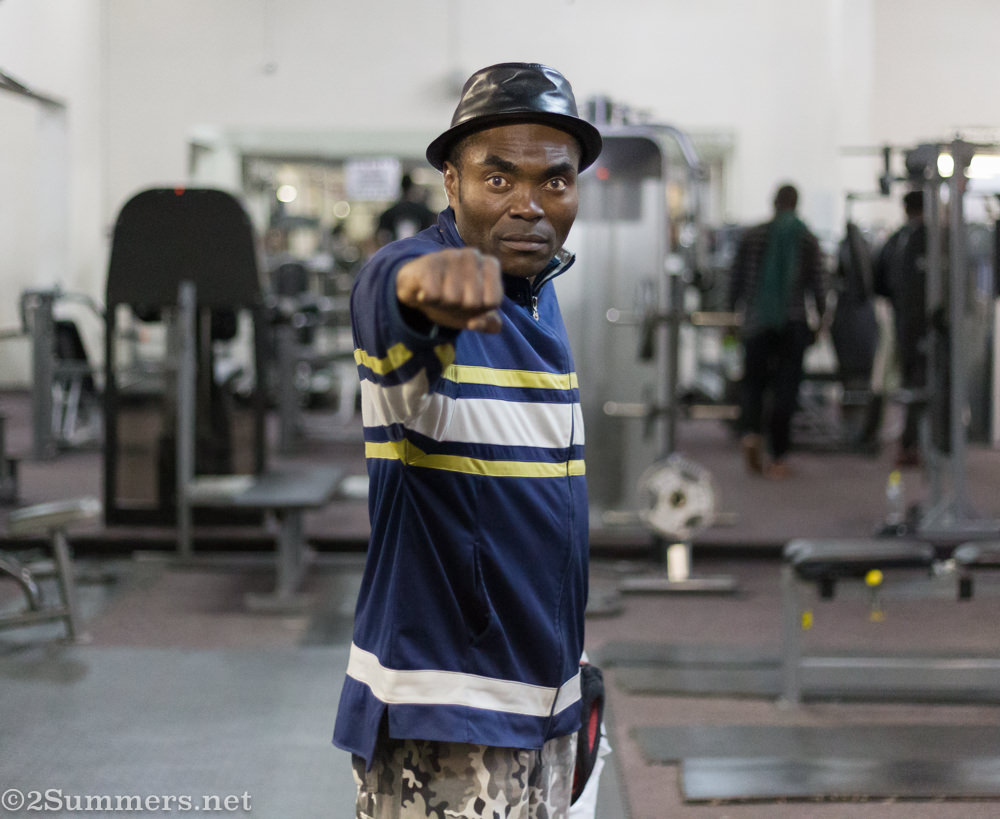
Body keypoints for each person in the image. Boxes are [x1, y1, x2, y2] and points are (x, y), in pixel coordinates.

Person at [333, 62, 603, 818]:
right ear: (451, 183)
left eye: (555, 181)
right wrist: (425, 292)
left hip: (538, 698)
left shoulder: (538, 303)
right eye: (498, 179)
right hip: (444, 716)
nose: (529, 205)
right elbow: (393, 292)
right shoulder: (422, 274)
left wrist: (569, 670)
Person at [728, 183, 827, 479]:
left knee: (753, 384)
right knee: (786, 389)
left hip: (756, 323)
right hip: (793, 324)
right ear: (796, 204)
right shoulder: (807, 238)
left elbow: (736, 278)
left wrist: (732, 316)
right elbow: (818, 284)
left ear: (773, 203)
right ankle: (779, 458)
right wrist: (821, 319)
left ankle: (751, 435)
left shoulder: (753, 235)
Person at [874, 189, 927, 467]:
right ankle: (913, 443)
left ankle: (911, 442)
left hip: (903, 321)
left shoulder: (898, 239)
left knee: (909, 381)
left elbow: (878, 281)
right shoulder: (927, 239)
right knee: (920, 383)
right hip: (921, 324)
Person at [374, 173, 437, 246]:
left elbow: (382, 235)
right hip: (420, 251)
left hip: (396, 252)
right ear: (411, 188)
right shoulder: (423, 212)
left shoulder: (389, 213)